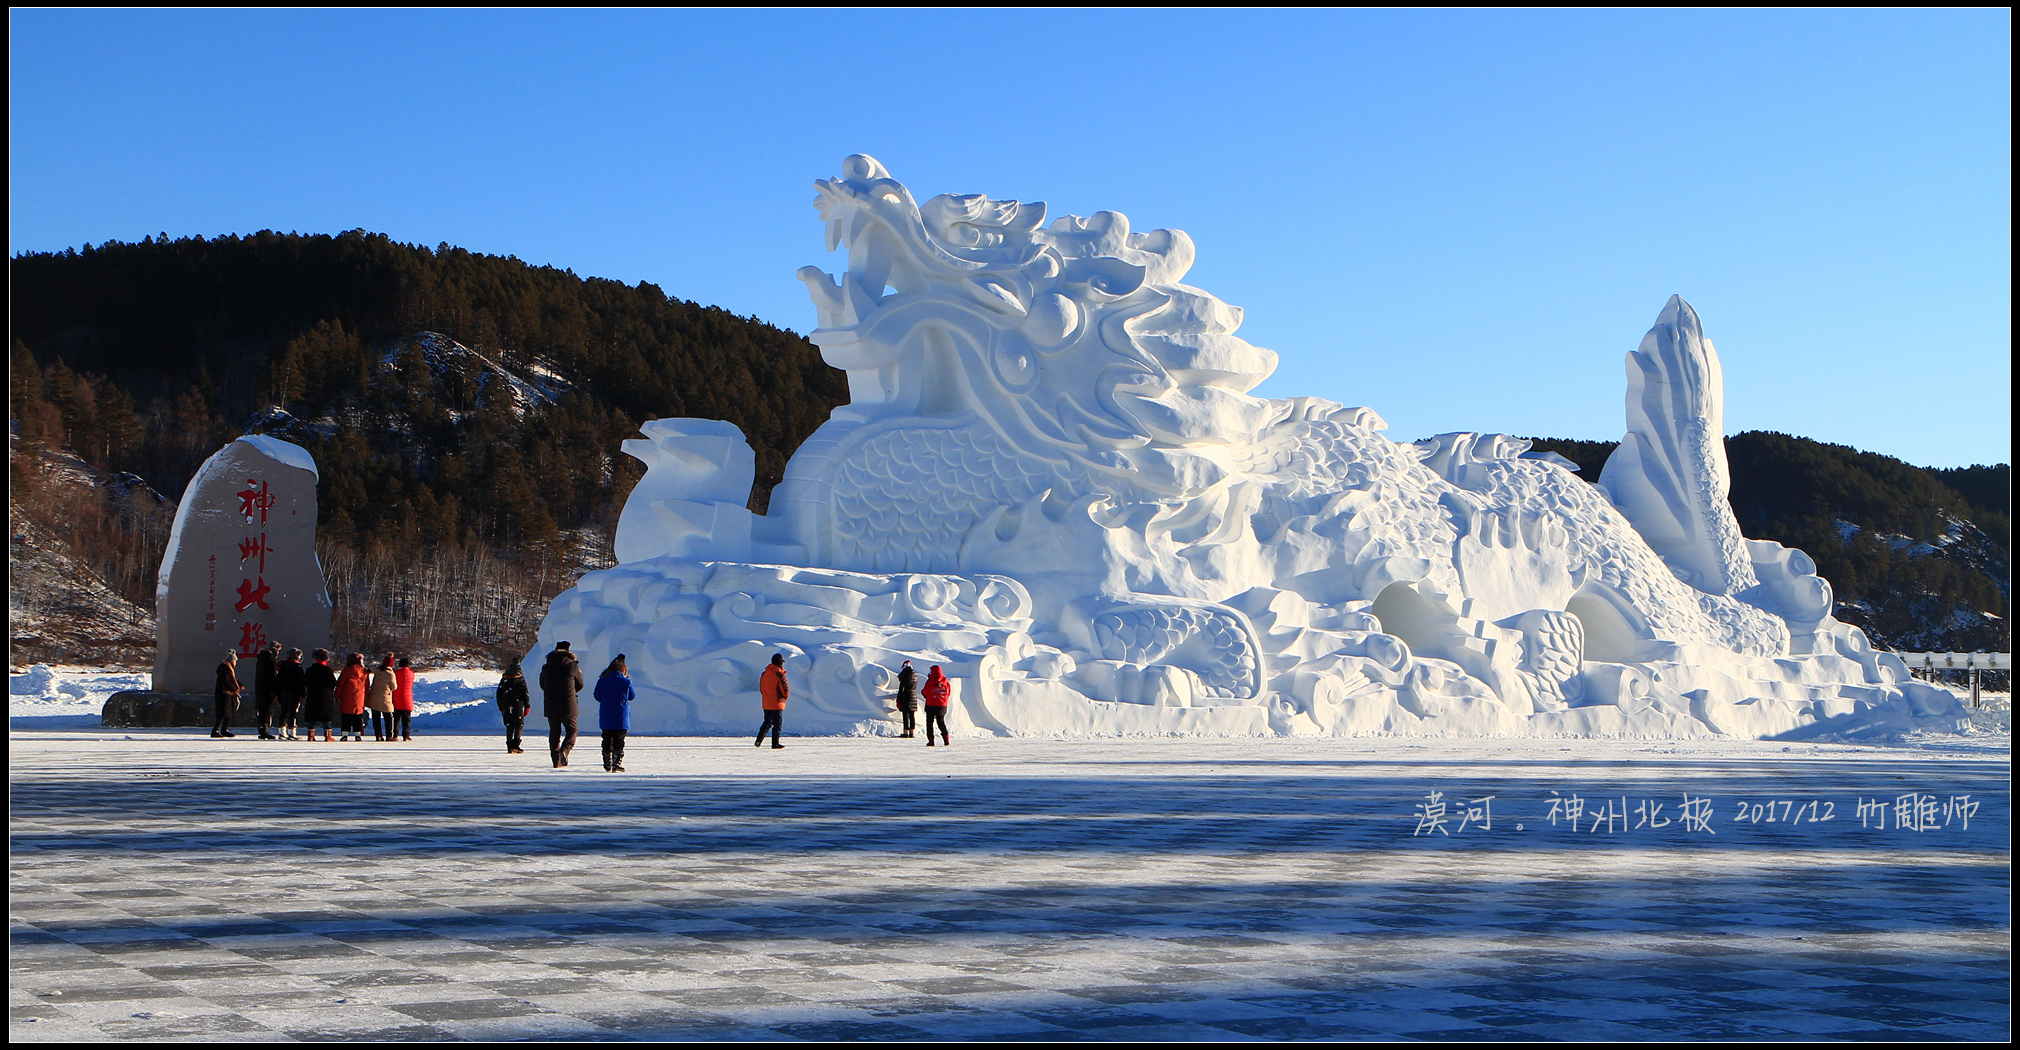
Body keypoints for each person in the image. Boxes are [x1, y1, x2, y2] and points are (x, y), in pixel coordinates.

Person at [539, 641, 584, 768]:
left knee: (554, 732)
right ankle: (564, 751)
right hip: (568, 703)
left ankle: (555, 760)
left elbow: (542, 684)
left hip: (550, 703)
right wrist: (571, 691)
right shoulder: (572, 665)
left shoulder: (546, 666)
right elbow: (580, 684)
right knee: (572, 730)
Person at [595, 654, 636, 772]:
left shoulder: (602, 681)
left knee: (607, 739)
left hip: (606, 714)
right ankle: (616, 763)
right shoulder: (626, 682)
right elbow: (632, 696)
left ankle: (607, 763)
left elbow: (597, 696)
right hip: (621, 715)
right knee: (619, 740)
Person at [301, 649, 338, 742]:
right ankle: (327, 736)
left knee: (311, 716)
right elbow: (333, 683)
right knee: (326, 716)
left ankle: (310, 735)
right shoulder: (327, 670)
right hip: (325, 696)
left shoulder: (310, 670)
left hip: (312, 695)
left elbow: (305, 682)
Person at [496, 658, 531, 754]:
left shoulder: (504, 679)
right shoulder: (520, 680)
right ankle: (515, 744)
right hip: (517, 704)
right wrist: (527, 705)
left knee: (509, 725)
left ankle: (509, 746)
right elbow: (525, 694)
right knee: (519, 724)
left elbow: (499, 692)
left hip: (506, 704)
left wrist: (500, 703)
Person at [756, 653, 788, 749]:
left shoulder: (764, 674)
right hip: (777, 703)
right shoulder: (780, 675)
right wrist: (785, 697)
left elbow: (761, 687)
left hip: (766, 702)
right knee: (777, 724)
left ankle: (759, 740)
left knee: (767, 722)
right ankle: (775, 743)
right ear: (780, 663)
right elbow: (785, 689)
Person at [336, 653, 369, 742]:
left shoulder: (346, 670)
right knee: (358, 716)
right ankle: (357, 734)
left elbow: (340, 685)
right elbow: (366, 686)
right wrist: (365, 697)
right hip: (359, 697)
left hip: (346, 697)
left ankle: (344, 734)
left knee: (346, 716)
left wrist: (336, 696)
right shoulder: (364, 671)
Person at [254, 641, 282, 740]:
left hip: (260, 688)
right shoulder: (270, 660)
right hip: (267, 689)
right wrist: (274, 689)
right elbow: (271, 677)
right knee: (266, 710)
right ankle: (264, 731)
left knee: (262, 710)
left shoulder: (261, 659)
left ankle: (262, 730)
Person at [211, 650, 242, 737]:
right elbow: (226, 681)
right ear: (232, 661)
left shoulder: (228, 669)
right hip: (223, 693)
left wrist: (239, 685)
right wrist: (233, 688)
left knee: (228, 713)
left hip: (228, 693)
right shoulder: (224, 669)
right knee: (222, 714)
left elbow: (232, 680)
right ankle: (215, 730)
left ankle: (224, 729)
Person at [367, 655, 397, 742]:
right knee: (388, 717)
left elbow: (371, 668)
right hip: (385, 697)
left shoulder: (377, 670)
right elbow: (394, 687)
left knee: (376, 717)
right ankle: (389, 735)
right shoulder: (390, 674)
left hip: (374, 697)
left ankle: (378, 735)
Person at [922, 664, 951, 746]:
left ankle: (931, 741)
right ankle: (946, 739)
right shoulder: (945, 681)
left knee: (929, 723)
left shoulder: (930, 681)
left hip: (931, 704)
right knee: (941, 722)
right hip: (942, 705)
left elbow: (925, 692)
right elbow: (948, 692)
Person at [392, 656, 416, 742]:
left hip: (396, 699)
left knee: (396, 719)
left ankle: (395, 735)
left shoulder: (396, 673)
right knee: (406, 720)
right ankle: (406, 735)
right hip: (407, 699)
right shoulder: (411, 673)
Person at [894, 659, 918, 739]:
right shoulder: (915, 676)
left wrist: (898, 699)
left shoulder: (904, 676)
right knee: (912, 715)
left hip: (906, 697)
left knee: (905, 714)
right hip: (913, 696)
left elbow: (902, 689)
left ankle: (906, 732)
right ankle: (912, 732)